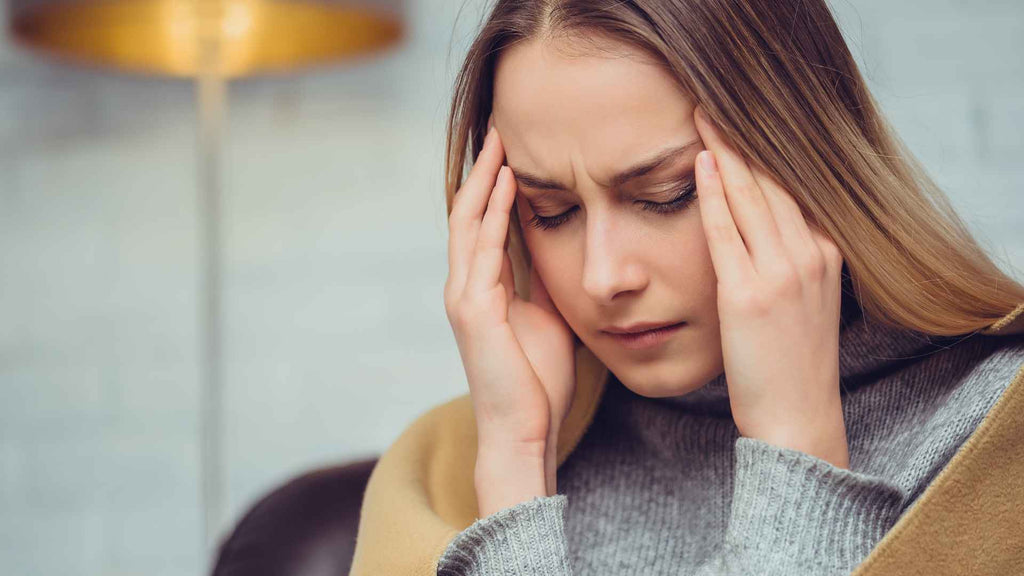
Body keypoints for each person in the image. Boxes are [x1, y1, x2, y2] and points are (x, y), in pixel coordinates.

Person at [348, 1, 1024, 575]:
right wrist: (516, 468)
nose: (604, 276)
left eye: (666, 196)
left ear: (806, 165)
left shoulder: (994, 435)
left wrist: (795, 447)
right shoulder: (446, 468)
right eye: (551, 212)